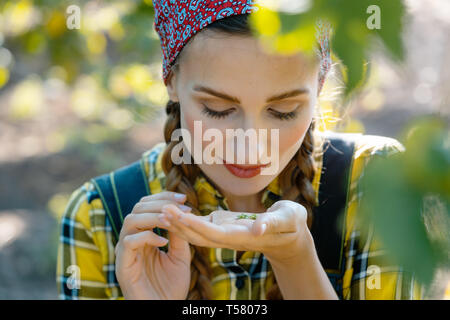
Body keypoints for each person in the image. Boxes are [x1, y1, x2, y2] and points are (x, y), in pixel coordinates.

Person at [56, 1, 424, 300]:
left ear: (320, 84)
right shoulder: (100, 218)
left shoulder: (379, 185)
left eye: (283, 112)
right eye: (218, 109)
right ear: (171, 81)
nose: (250, 145)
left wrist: (296, 261)